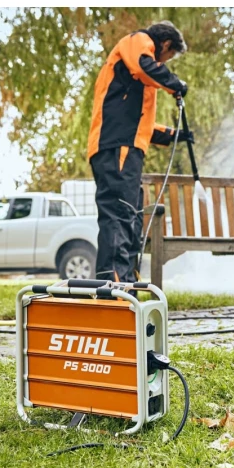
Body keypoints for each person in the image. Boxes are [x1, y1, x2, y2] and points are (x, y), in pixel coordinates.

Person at [87, 20, 192, 283]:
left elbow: (142, 125)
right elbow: (145, 65)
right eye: (169, 57)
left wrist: (174, 135)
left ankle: (126, 280)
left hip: (125, 146)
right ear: (165, 44)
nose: (164, 62)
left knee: (130, 215)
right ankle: (114, 283)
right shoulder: (137, 41)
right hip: (117, 146)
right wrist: (175, 84)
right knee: (119, 211)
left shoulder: (136, 81)